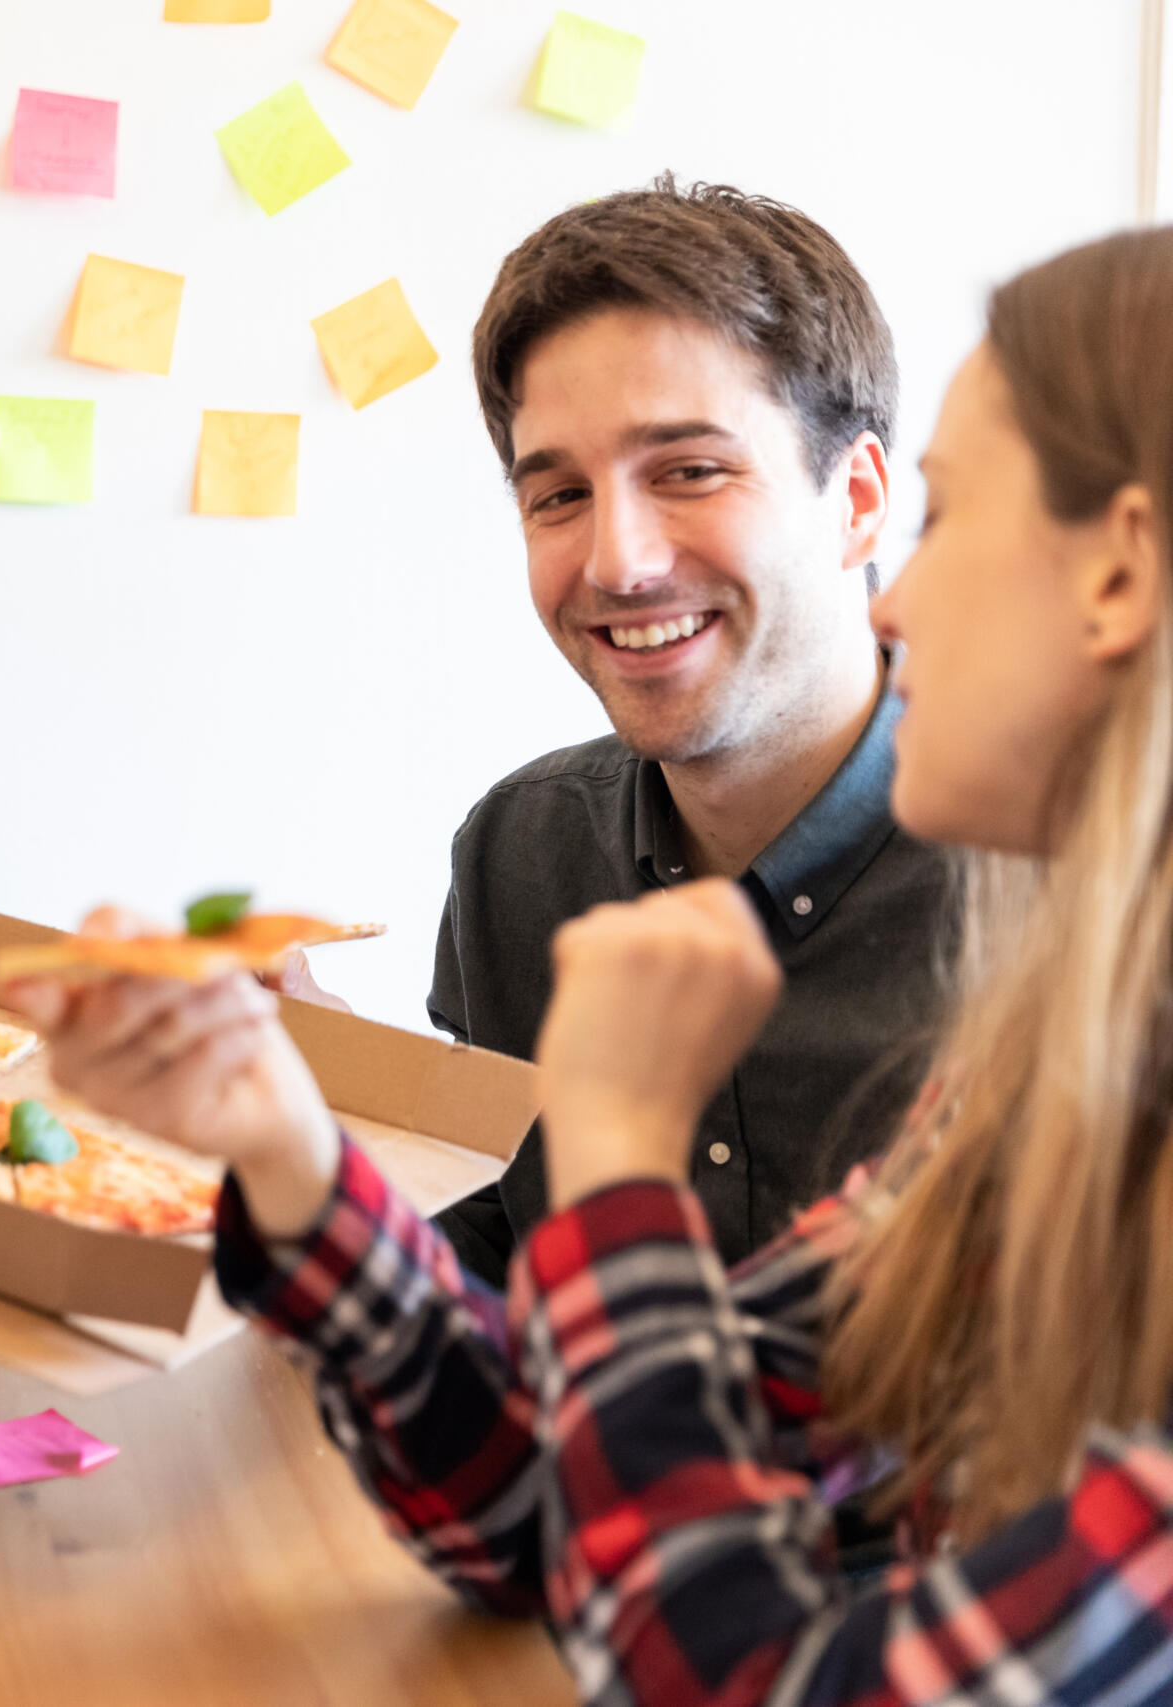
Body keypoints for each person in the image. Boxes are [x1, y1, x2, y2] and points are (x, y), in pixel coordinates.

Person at [4, 226, 1173, 1704]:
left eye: (947, 518)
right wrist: (288, 1145)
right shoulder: (1042, 1091)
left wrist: (618, 1158)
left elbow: (734, 1675)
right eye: (556, 491)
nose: (898, 603)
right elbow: (567, 1493)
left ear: (1121, 571)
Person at [412, 180, 953, 1284]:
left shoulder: (1068, 884)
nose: (615, 562)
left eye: (689, 471)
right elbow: (487, 1258)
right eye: (557, 496)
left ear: (855, 500)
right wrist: (319, 1124)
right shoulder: (514, 854)